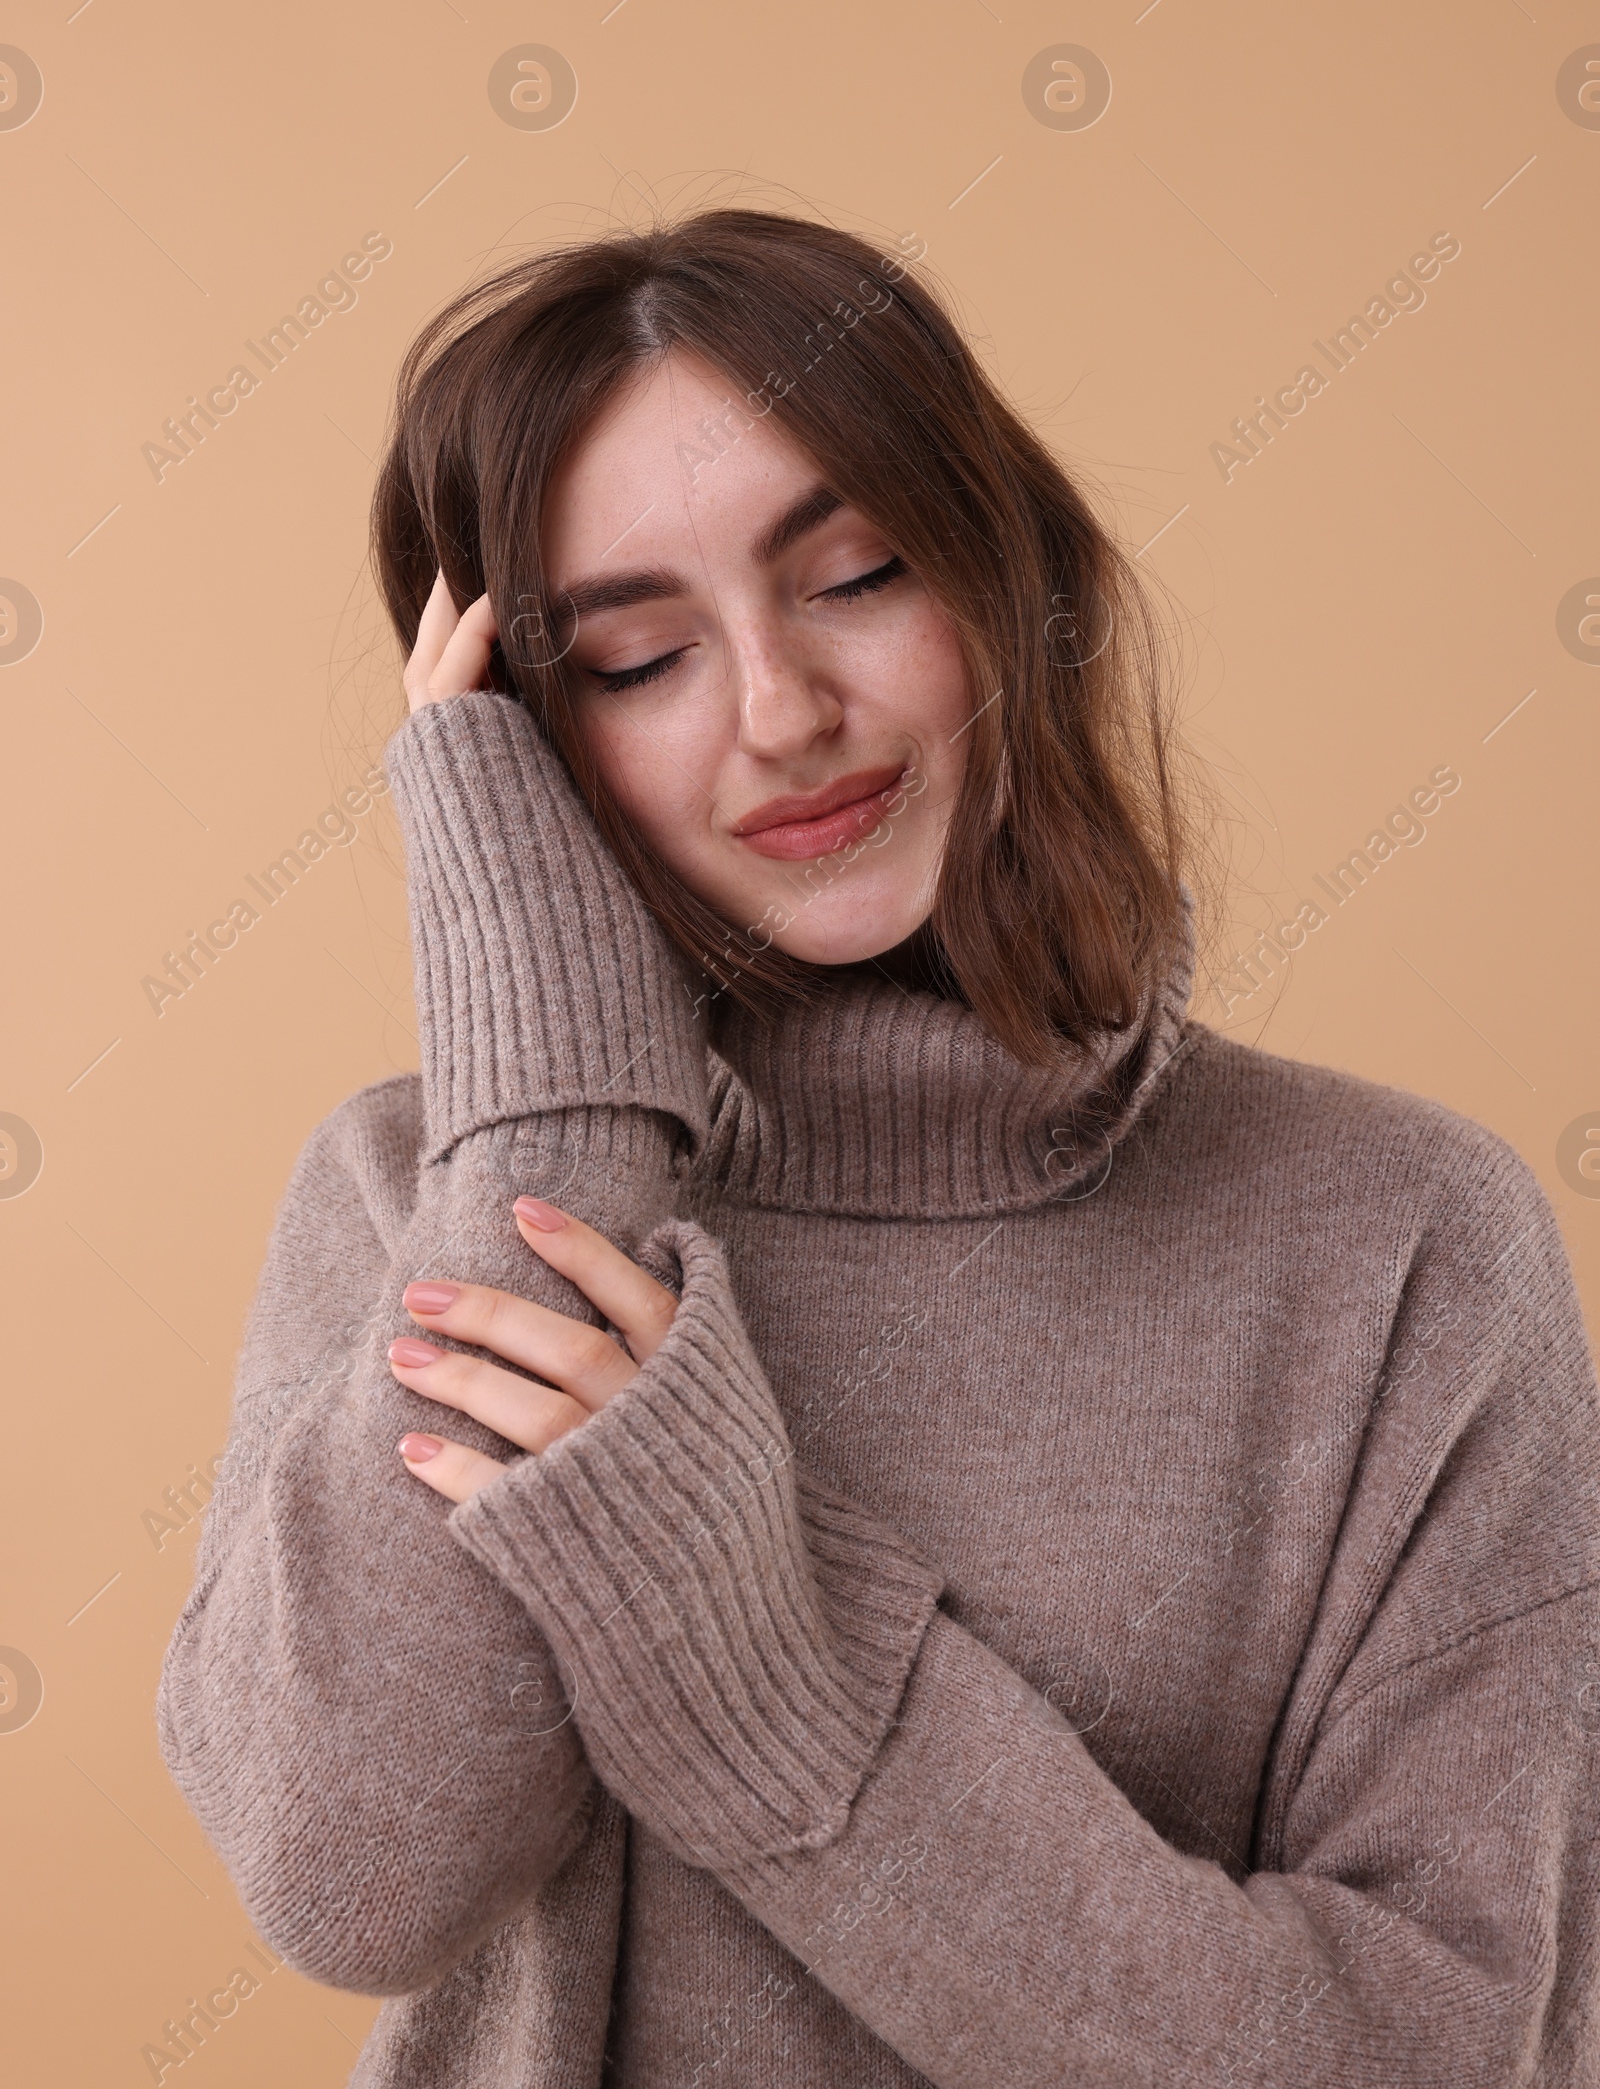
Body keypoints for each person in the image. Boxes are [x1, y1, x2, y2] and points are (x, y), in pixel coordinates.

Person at [157, 208, 1600, 2088]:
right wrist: (561, 1124)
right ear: (522, 746)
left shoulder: (1399, 1242)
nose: (780, 714)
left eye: (854, 575)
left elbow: (1432, 2054)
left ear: (1009, 578)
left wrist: (758, 1646)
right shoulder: (425, 1195)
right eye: (636, 660)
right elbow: (351, 1884)